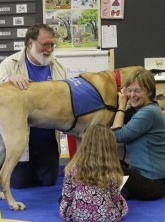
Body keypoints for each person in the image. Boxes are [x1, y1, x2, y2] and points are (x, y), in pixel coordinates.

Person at [0, 23, 67, 189]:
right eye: (45, 44)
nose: (50, 49)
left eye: (52, 45)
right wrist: (7, 79)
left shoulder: (58, 66)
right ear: (30, 43)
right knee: (20, 184)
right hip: (20, 142)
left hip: (47, 141)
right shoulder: (10, 63)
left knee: (48, 182)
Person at [111, 69, 165, 200]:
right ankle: (121, 192)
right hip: (150, 179)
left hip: (151, 184)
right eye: (129, 90)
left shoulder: (148, 112)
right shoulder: (149, 109)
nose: (132, 95)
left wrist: (121, 105)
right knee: (107, 161)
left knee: (102, 165)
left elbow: (117, 136)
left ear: (150, 92)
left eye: (137, 90)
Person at [59, 124, 128, 221]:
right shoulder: (110, 171)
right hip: (106, 217)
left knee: (64, 199)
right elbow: (115, 197)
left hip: (76, 216)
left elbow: (67, 196)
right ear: (110, 147)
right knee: (123, 194)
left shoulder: (72, 168)